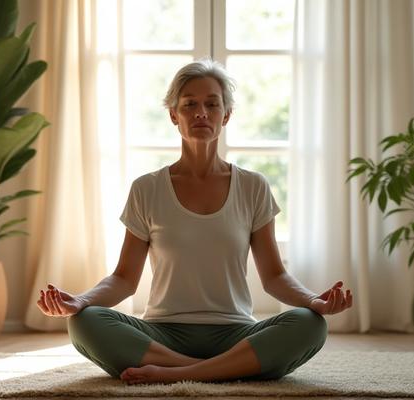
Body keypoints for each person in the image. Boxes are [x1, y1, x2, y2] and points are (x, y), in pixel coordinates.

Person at [36, 58, 353, 385]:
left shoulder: (253, 186)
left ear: (226, 115)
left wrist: (314, 301)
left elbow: (274, 276)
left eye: (212, 104)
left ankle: (180, 373)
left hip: (235, 333)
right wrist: (81, 301)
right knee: (84, 322)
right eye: (189, 104)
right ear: (174, 115)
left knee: (310, 323)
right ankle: (225, 370)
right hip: (162, 334)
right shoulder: (147, 188)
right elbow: (123, 279)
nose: (201, 112)